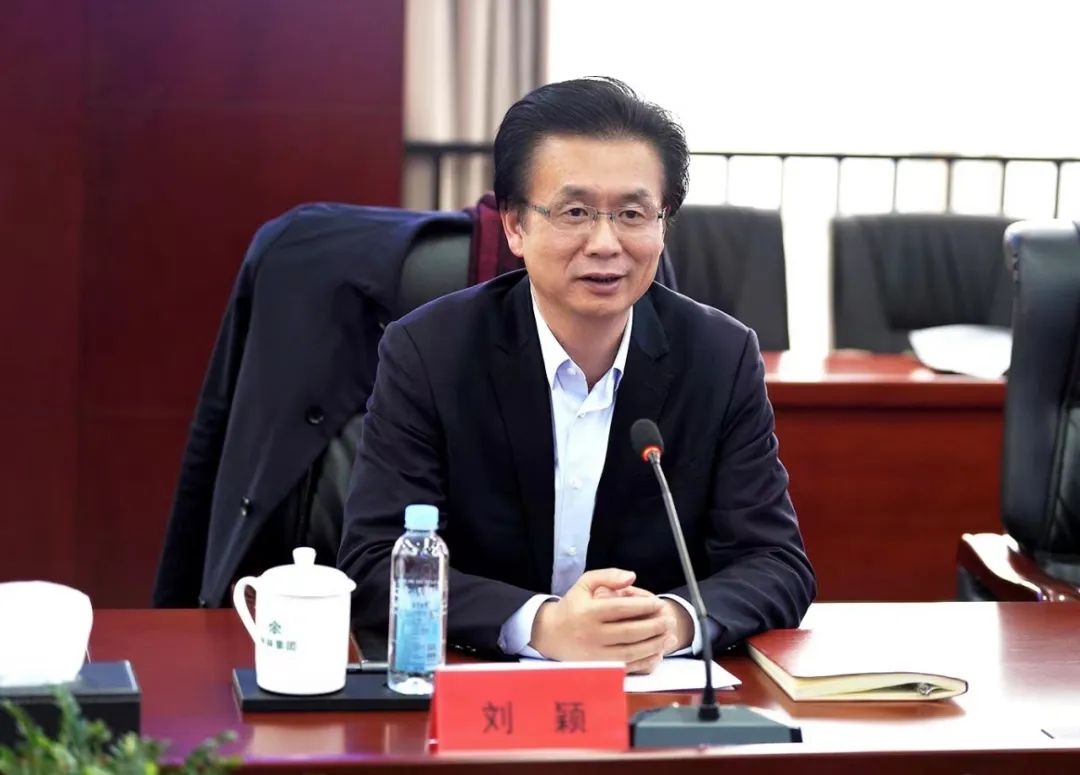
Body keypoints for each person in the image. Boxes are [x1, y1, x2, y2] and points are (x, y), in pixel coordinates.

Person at [338, 77, 815, 673]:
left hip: (652, 694)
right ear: (515, 226)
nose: (605, 243)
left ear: (663, 224)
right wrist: (541, 626)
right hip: (479, 690)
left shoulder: (721, 355)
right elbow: (375, 561)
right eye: (575, 212)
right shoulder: (429, 351)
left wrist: (668, 622)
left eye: (633, 213)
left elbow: (776, 564)